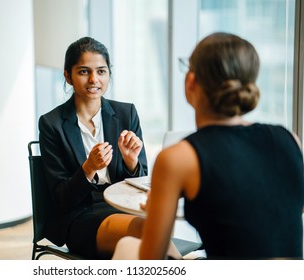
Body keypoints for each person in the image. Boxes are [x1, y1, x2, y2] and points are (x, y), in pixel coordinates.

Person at [113, 32, 304, 259]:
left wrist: (156, 215)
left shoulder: (178, 158)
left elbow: (151, 261)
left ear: (190, 81)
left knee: (127, 246)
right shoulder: (290, 139)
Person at [38, 36, 149, 259]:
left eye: (101, 71)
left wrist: (131, 162)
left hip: (121, 206)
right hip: (79, 215)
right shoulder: (52, 124)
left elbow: (142, 180)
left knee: (151, 232)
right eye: (83, 71)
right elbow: (61, 199)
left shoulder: (127, 113)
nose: (93, 79)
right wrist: (88, 168)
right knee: (147, 233)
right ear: (68, 76)